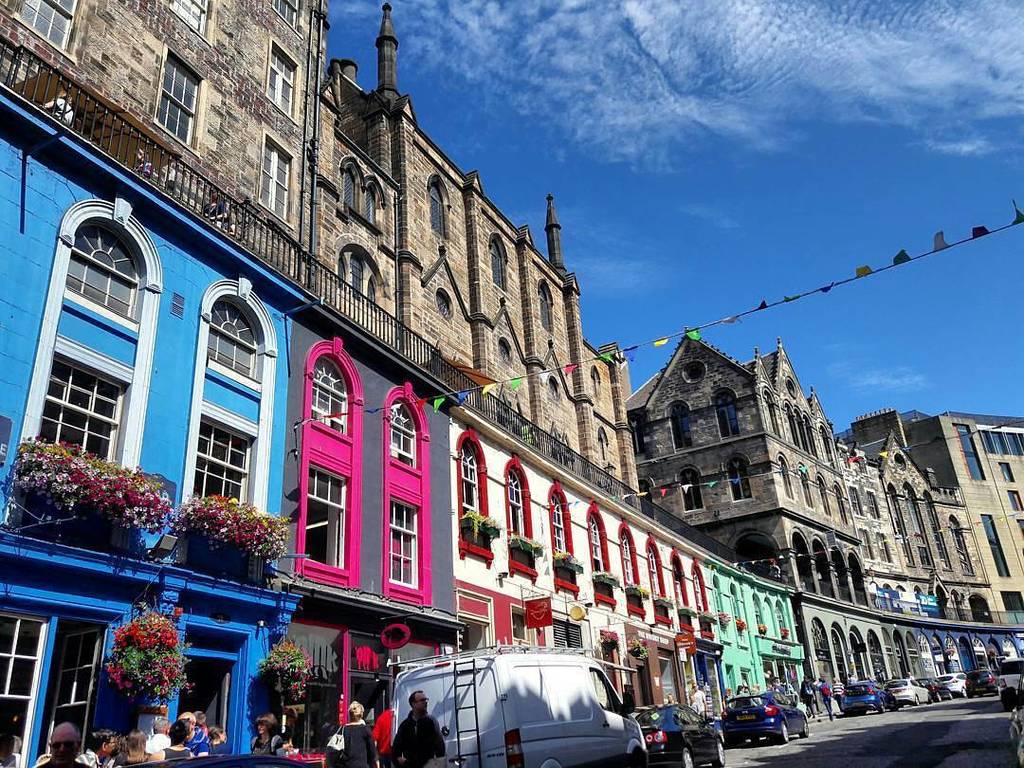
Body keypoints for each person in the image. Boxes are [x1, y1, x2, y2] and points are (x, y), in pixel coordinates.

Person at [392, 691, 444, 768]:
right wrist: (402, 761)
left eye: (426, 700)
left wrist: (438, 764)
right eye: (422, 700)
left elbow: (440, 746)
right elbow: (396, 750)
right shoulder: (405, 725)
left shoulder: (431, 721)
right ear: (413, 704)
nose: (425, 702)